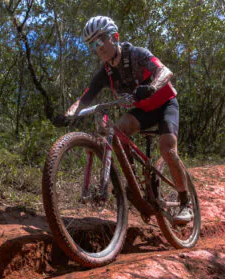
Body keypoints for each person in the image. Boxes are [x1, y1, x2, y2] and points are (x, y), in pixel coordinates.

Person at [55, 16, 192, 223]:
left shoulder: (137, 54)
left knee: (167, 148)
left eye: (101, 40)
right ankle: (134, 180)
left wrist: (153, 87)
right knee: (116, 131)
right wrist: (68, 115)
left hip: (165, 104)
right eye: (93, 44)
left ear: (115, 37)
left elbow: (165, 71)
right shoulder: (105, 73)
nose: (98, 48)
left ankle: (185, 203)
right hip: (142, 112)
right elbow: (84, 99)